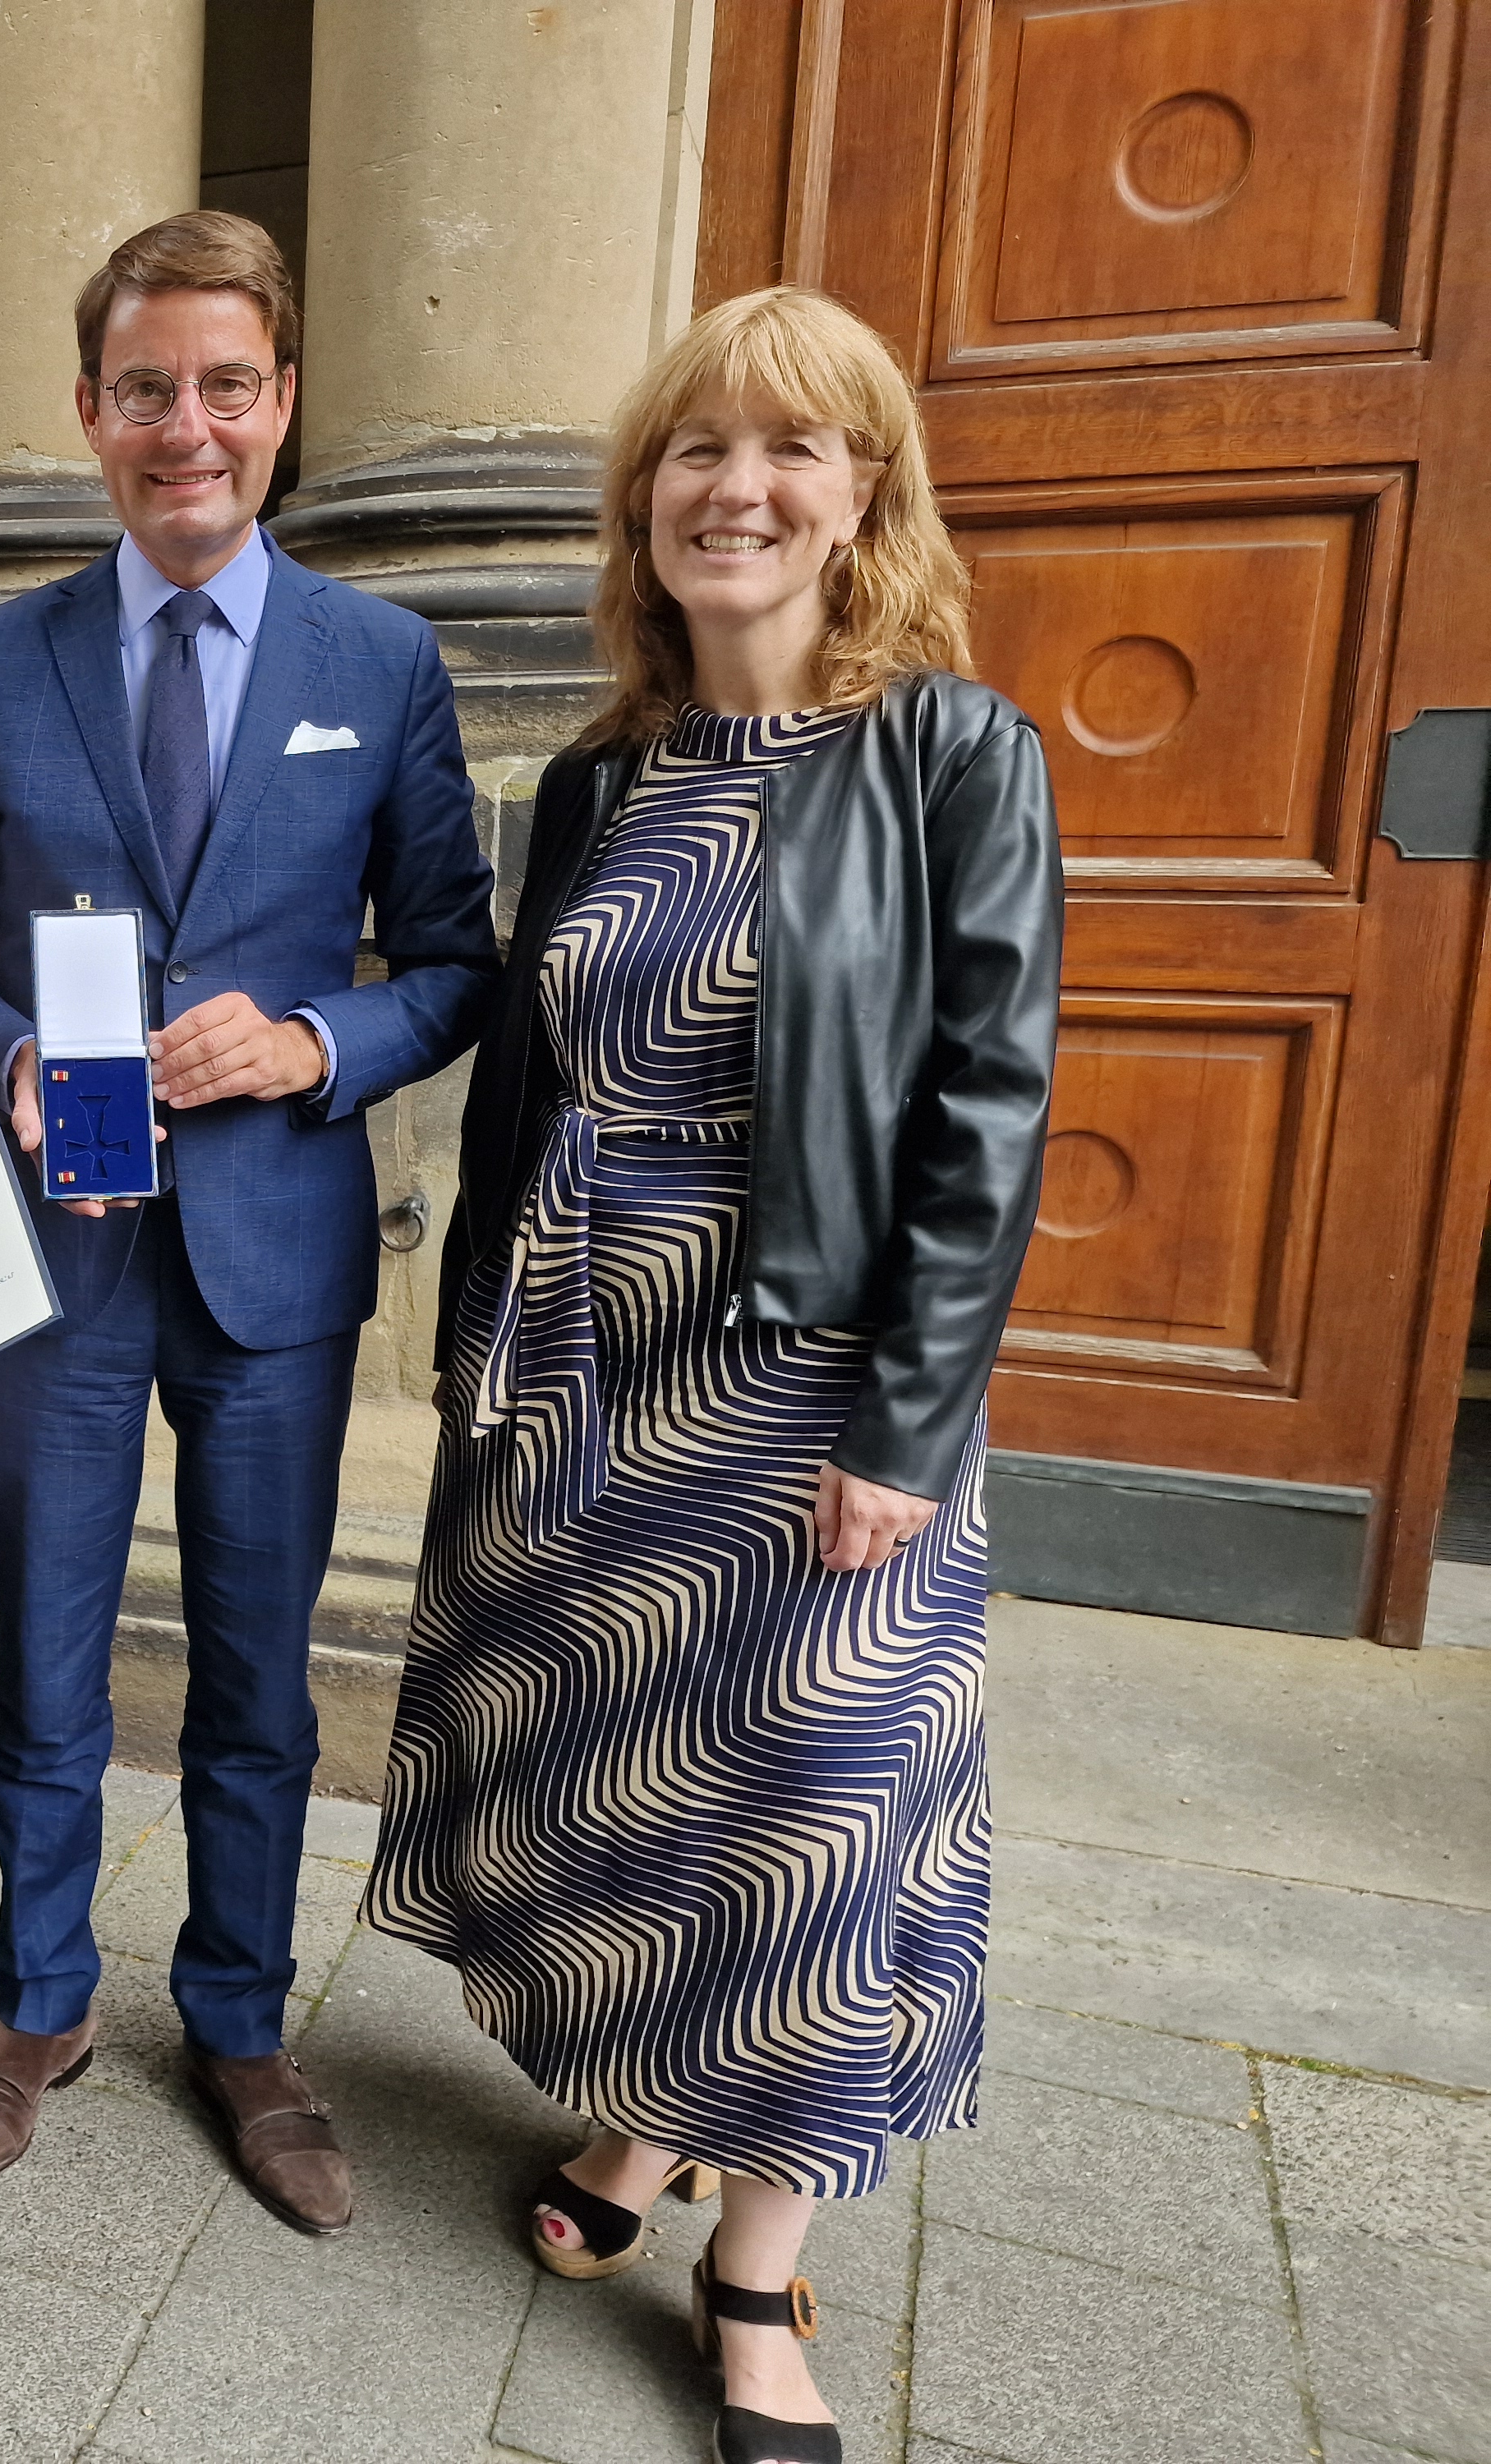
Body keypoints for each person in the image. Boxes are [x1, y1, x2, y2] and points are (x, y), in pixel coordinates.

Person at [364, 286, 1059, 2464]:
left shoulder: (950, 755)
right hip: (589, 1359)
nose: (734, 488)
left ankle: (754, 2273)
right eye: (695, 447)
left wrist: (907, 1426)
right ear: (643, 501)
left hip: (813, 1382)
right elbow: (522, 1090)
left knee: (813, 1828)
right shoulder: (596, 777)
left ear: (863, 499)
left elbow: (985, 1109)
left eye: (790, 448)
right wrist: (478, 1353)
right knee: (626, 1777)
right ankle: (640, 2123)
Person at [0, 210, 499, 2233]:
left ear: (281, 402)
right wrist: (5, 1059)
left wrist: (314, 1041)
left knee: (254, 1674)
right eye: (145, 389)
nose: (185, 427)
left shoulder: (377, 663)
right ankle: (36, 2003)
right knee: (42, 1655)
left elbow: (454, 967)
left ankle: (237, 2020)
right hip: (52, 1249)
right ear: (89, 410)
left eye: (225, 385)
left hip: (272, 1251)